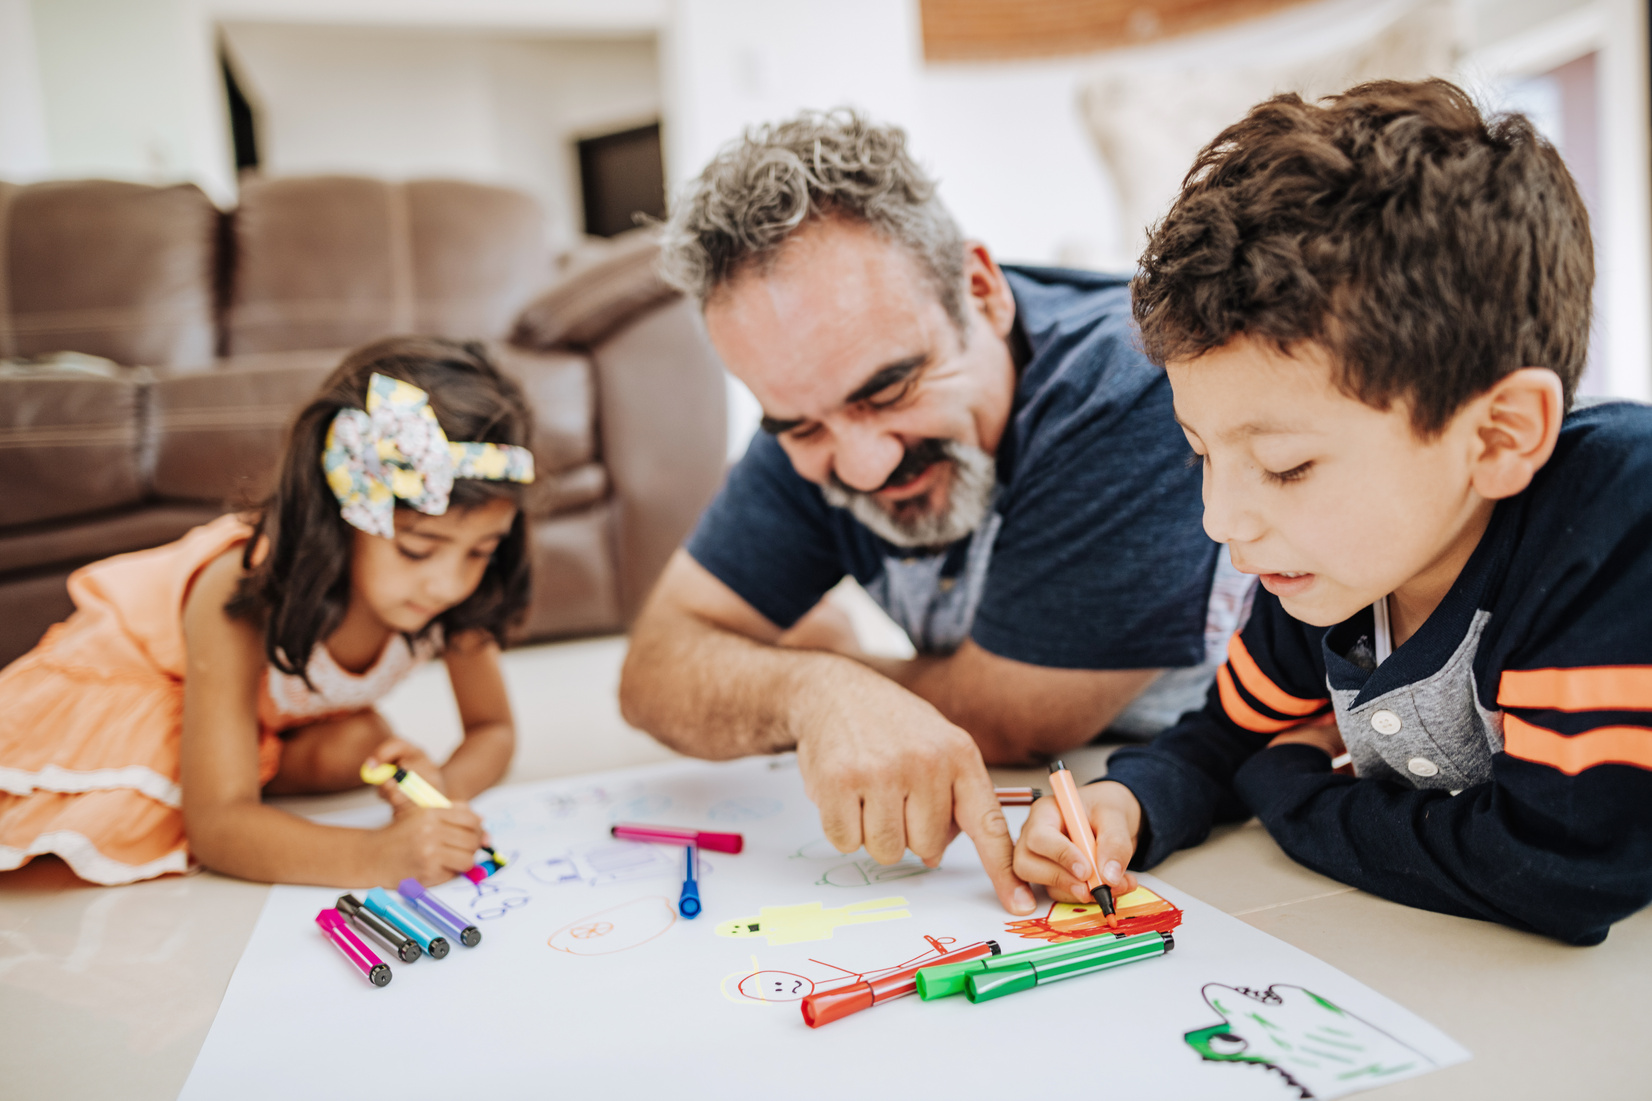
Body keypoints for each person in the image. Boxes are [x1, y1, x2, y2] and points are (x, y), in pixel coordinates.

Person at [1014, 79, 1652, 945]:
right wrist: (1126, 799)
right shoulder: (1333, 568)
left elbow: (1556, 865)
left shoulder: (1612, 527)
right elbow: (1226, 736)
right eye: (1202, 455)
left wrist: (1292, 794)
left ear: (1499, 434)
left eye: (1287, 466)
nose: (1221, 520)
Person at [622, 110, 1246, 916]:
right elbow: (654, 672)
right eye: (800, 426)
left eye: (890, 390)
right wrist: (812, 689)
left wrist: (826, 668)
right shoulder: (811, 416)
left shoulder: (1133, 380)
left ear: (980, 291)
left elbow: (1012, 716)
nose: (864, 464)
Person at [0, 337, 536, 887]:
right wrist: (378, 856)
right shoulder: (240, 587)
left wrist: (439, 790)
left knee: (361, 745)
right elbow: (217, 826)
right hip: (131, 684)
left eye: (481, 550)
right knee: (140, 809)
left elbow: (492, 728)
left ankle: (249, 754)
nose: (449, 583)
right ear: (344, 512)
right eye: (416, 550)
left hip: (266, 716)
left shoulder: (460, 591)